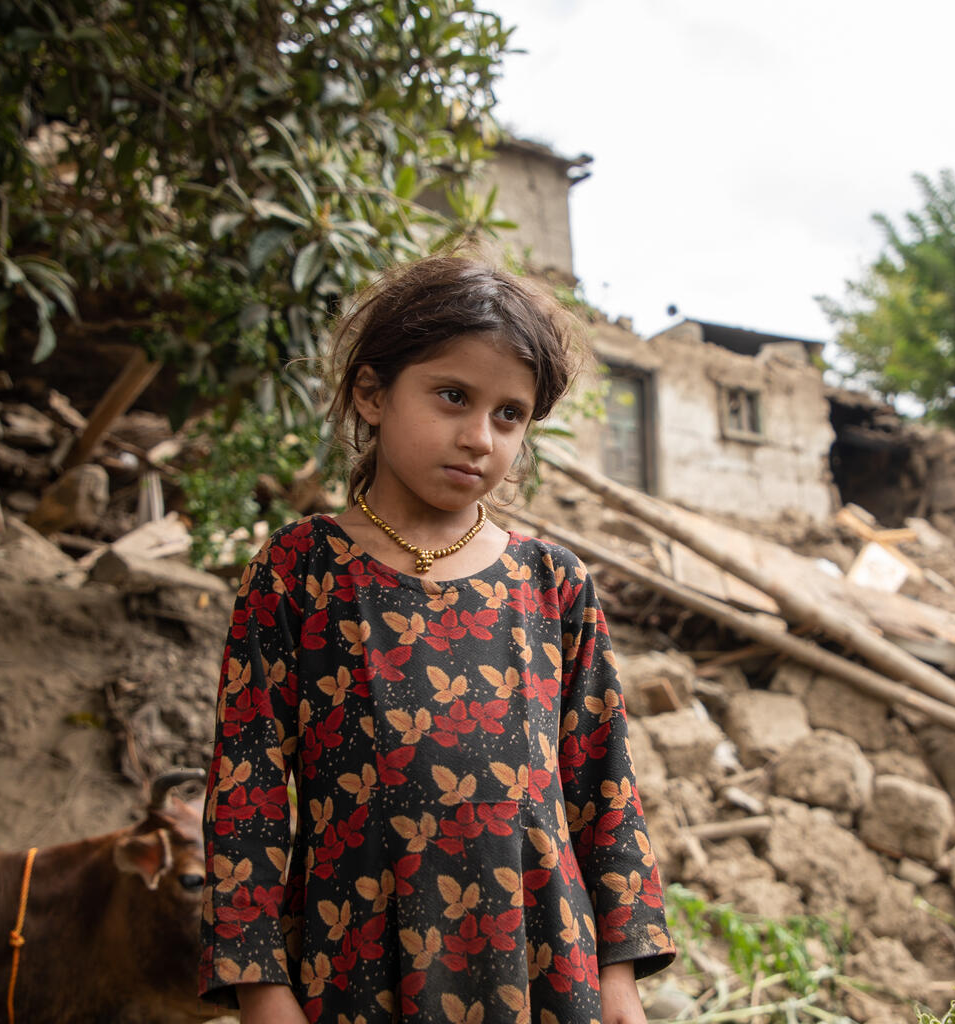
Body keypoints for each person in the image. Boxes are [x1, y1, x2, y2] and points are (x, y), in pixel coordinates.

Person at [198, 256, 676, 1023]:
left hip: (543, 962)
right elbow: (245, 794)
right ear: (372, 393)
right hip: (353, 961)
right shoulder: (299, 571)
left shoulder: (553, 584)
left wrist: (618, 974)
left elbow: (603, 786)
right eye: (452, 396)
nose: (479, 437)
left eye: (509, 415)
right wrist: (261, 984)